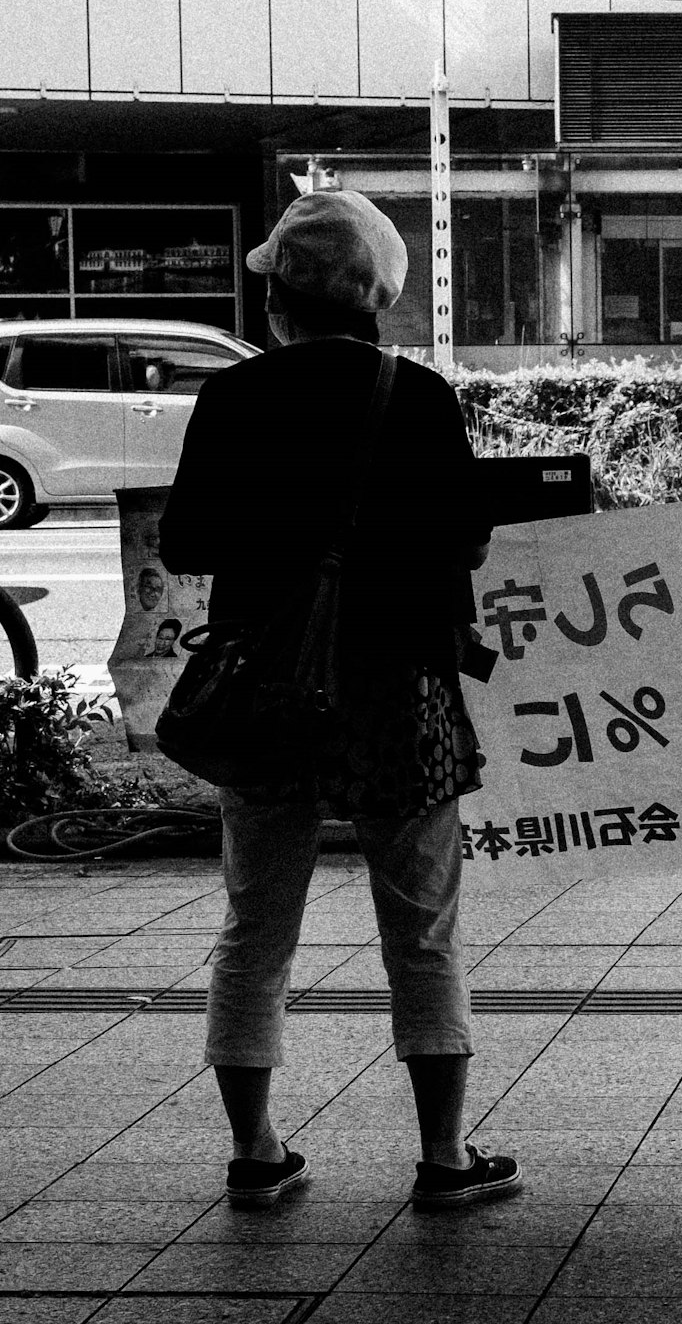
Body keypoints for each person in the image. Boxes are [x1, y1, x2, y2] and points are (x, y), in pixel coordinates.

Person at [159, 190, 517, 1208]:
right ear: (378, 298)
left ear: (281, 301)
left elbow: (185, 543)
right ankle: (445, 1160)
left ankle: (256, 1152)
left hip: (269, 695)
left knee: (255, 923)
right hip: (399, 691)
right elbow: (465, 541)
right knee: (423, 927)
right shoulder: (417, 398)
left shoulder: (233, 400)